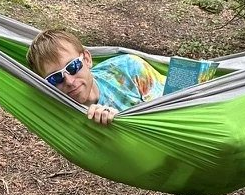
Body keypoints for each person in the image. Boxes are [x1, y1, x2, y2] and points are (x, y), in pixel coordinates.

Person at [26, 29, 165, 125]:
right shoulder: (62, 121)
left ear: (87, 59)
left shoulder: (129, 68)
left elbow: (171, 111)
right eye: (55, 78)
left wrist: (124, 119)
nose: (69, 81)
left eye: (73, 66)